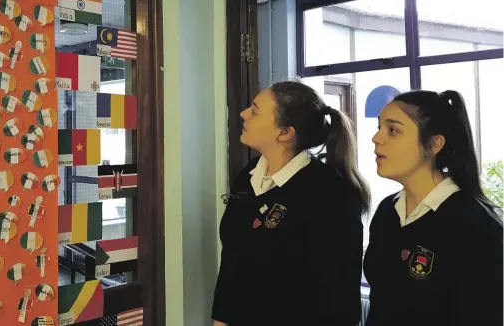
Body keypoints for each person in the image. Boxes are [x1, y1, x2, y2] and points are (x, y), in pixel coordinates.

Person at [212, 81, 370, 326]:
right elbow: (232, 263)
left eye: (254, 110)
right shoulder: (250, 174)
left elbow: (338, 296)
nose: (243, 114)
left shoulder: (330, 193)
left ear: (285, 133)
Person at [364, 90, 503, 326]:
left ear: (434, 144)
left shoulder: (477, 225)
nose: (376, 138)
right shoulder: (388, 211)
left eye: (393, 130)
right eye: (379, 128)